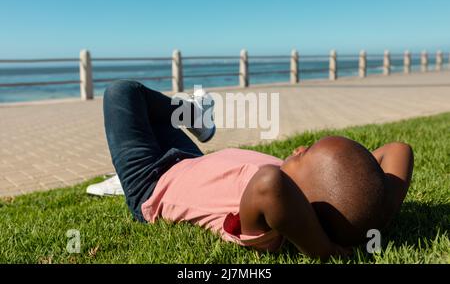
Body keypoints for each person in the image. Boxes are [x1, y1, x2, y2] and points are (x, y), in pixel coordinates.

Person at [97, 80, 414, 259]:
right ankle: (193, 116)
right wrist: (379, 206)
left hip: (153, 183)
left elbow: (269, 183)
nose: (301, 148)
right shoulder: (317, 195)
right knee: (148, 110)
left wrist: (323, 249)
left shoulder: (268, 225)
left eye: (307, 154)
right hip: (189, 158)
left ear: (306, 198)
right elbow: (400, 150)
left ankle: (188, 117)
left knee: (122, 93)